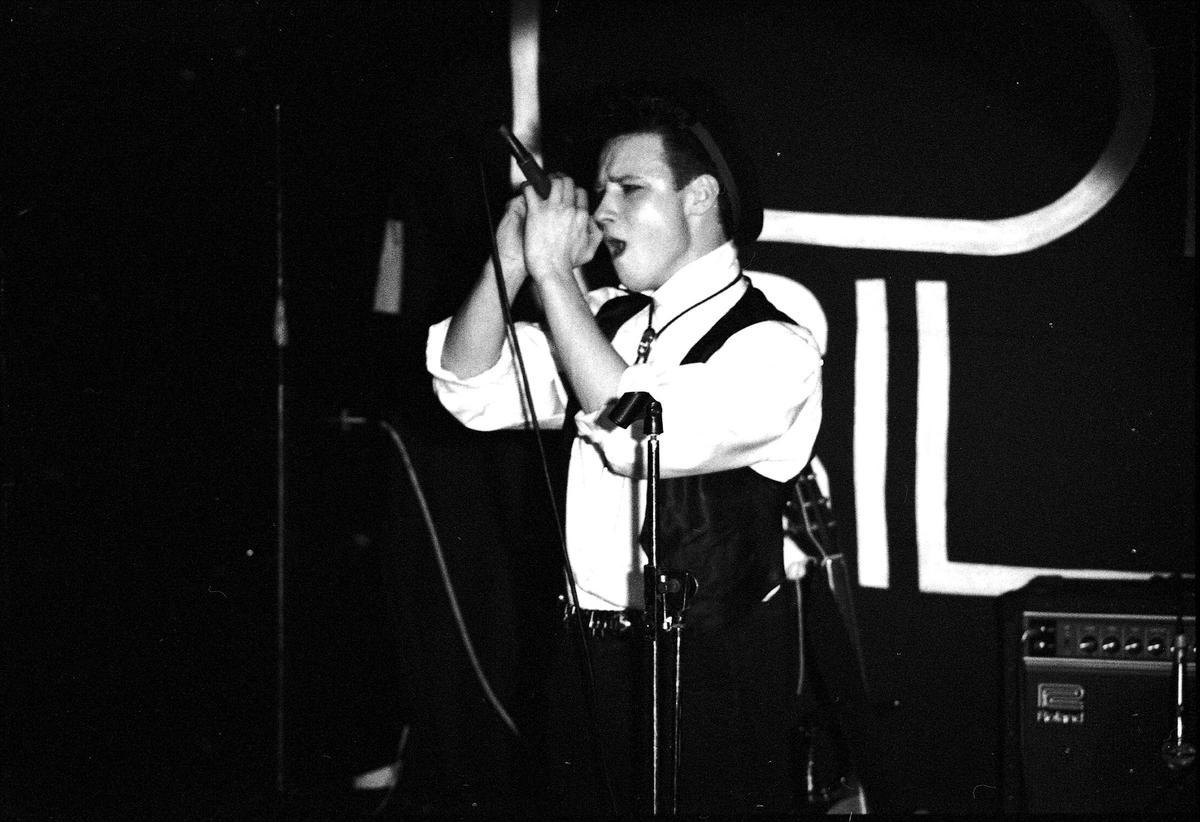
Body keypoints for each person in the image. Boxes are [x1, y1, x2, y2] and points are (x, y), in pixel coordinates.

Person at [425, 82, 823, 815]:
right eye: (600, 190)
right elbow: (469, 384)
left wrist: (554, 275)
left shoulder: (776, 343)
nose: (602, 211)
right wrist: (511, 260)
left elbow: (639, 431)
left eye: (629, 188)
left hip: (705, 669)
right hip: (586, 655)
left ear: (700, 196)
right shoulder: (605, 317)